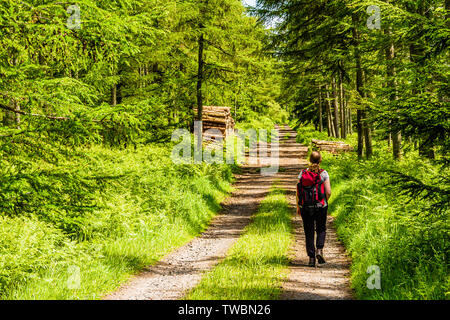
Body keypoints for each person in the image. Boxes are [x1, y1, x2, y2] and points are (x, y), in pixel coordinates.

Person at [296, 151, 332, 267]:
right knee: (321, 228)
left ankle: (311, 258)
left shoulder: (302, 173)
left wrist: (298, 205)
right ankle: (319, 250)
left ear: (310, 160)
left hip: (305, 207)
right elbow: (328, 192)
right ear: (320, 160)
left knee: (309, 231)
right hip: (321, 206)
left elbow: (298, 191)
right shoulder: (324, 173)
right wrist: (324, 201)